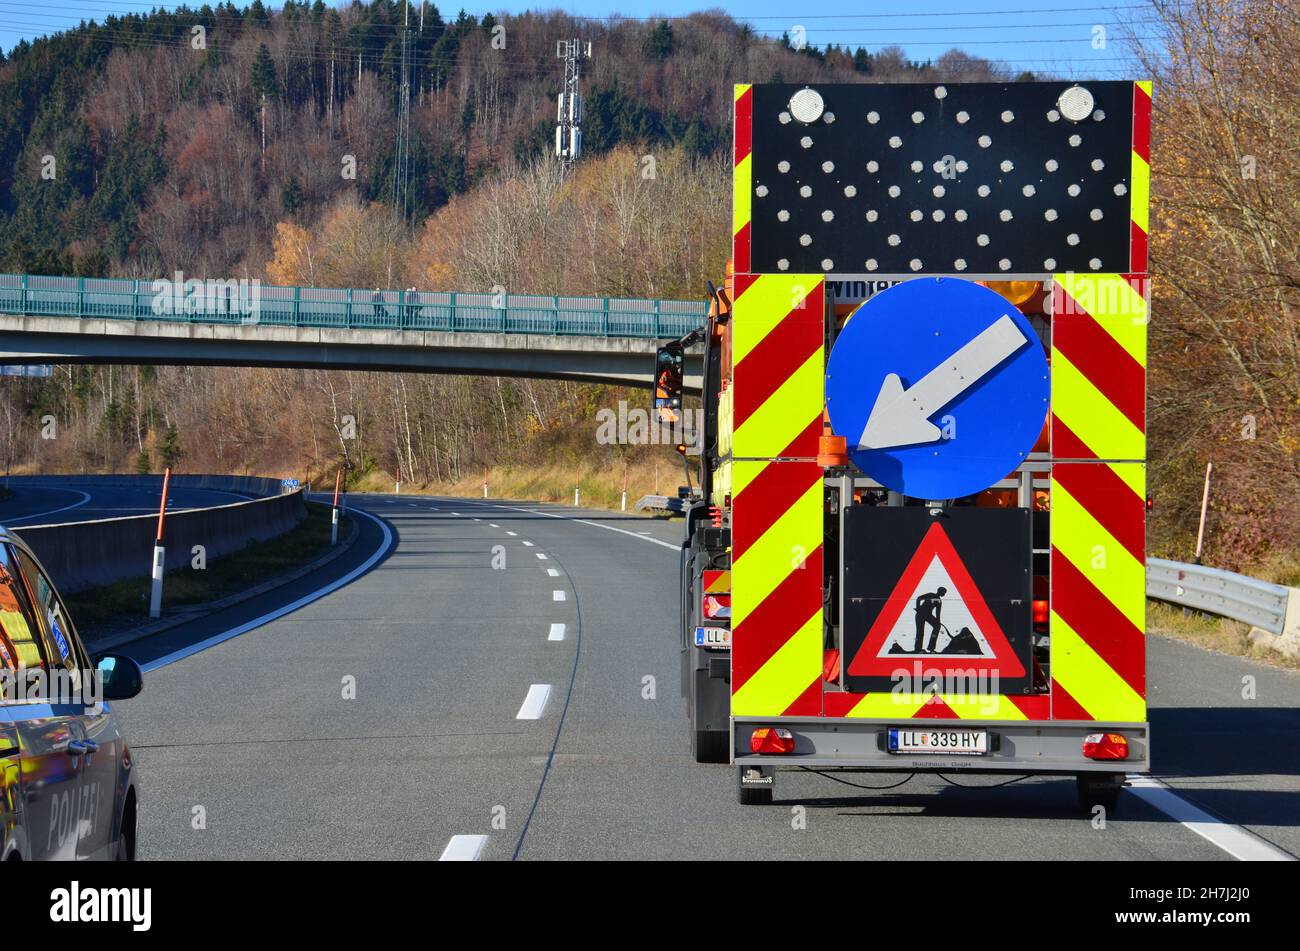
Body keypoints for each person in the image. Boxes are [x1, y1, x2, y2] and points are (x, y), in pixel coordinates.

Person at [913, 586, 947, 653]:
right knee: (920, 631)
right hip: (920, 614)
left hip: (928, 615)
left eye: (945, 593)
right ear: (939, 591)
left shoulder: (939, 601)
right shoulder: (931, 594)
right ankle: (918, 649)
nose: (944, 594)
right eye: (944, 592)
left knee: (937, 626)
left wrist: (938, 621)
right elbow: (919, 598)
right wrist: (918, 608)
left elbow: (938, 612)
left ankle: (931, 647)